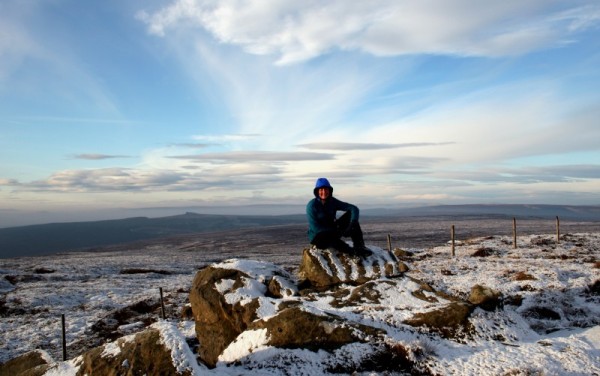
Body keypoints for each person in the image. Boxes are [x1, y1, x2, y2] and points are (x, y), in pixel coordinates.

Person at [306, 177, 371, 257]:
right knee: (329, 237)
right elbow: (316, 228)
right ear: (317, 191)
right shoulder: (311, 205)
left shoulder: (332, 201)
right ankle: (352, 252)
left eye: (326, 189)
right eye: (321, 190)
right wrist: (338, 232)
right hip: (318, 237)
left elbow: (353, 208)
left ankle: (359, 246)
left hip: (332, 231)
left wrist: (352, 224)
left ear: (330, 191)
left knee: (351, 217)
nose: (324, 192)